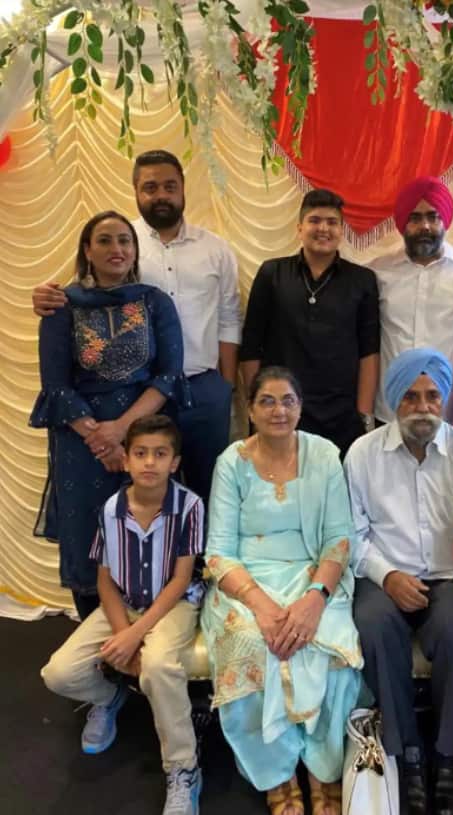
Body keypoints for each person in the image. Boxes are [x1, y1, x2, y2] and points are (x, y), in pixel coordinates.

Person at [345, 348, 453, 815]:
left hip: (449, 576)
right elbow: (350, 534)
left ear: (444, 398)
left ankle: (447, 753)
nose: (423, 407)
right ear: (394, 402)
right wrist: (387, 574)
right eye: (411, 397)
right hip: (384, 575)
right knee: (373, 625)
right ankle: (407, 753)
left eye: (432, 395)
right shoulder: (363, 454)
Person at [31, 149, 241, 501]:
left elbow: (229, 320)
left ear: (184, 189)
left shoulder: (216, 250)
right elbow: (83, 296)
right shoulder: (120, 242)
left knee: (210, 493)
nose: (161, 195)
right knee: (148, 497)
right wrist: (45, 297)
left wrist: (227, 388)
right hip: (142, 396)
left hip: (202, 390)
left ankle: (205, 559)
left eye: (170, 186)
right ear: (136, 192)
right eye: (150, 187)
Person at [201, 366, 362, 815]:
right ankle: (277, 774)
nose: (278, 410)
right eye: (267, 401)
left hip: (314, 580)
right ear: (249, 410)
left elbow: (339, 540)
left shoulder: (325, 455)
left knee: (330, 652)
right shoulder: (232, 462)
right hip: (245, 584)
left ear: (300, 407)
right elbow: (217, 552)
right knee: (251, 644)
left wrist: (315, 601)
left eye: (288, 400)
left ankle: (322, 770)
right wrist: (262, 607)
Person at [41, 415, 205, 815]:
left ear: (174, 461)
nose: (150, 462)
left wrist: (137, 637)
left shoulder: (189, 506)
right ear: (127, 460)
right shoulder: (112, 509)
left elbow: (181, 580)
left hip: (174, 604)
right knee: (58, 673)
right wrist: (122, 631)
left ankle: (184, 767)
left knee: (159, 666)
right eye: (141, 454)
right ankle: (110, 696)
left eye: (160, 454)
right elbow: (105, 582)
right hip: (125, 601)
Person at [29, 211, 187, 620]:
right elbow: (56, 385)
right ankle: (97, 653)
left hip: (144, 438)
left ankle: (145, 643)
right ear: (87, 250)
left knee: (146, 534)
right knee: (89, 536)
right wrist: (99, 438)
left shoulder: (154, 303)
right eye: (104, 241)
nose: (116, 249)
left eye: (124, 241)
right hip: (80, 445)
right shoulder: (62, 306)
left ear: (135, 250)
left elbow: (169, 375)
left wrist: (122, 432)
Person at [240, 188, 380, 457]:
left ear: (342, 231)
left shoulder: (362, 280)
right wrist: (257, 403)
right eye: (315, 220)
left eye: (332, 222)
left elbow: (369, 351)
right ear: (300, 228)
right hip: (280, 408)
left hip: (341, 413)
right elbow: (251, 345)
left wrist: (363, 415)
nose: (323, 229)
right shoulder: (272, 273)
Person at [371, 176, 453, 424]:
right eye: (415, 218)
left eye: (433, 216)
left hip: (447, 409)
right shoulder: (378, 272)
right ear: (402, 223)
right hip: (390, 410)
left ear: (445, 221)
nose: (425, 226)